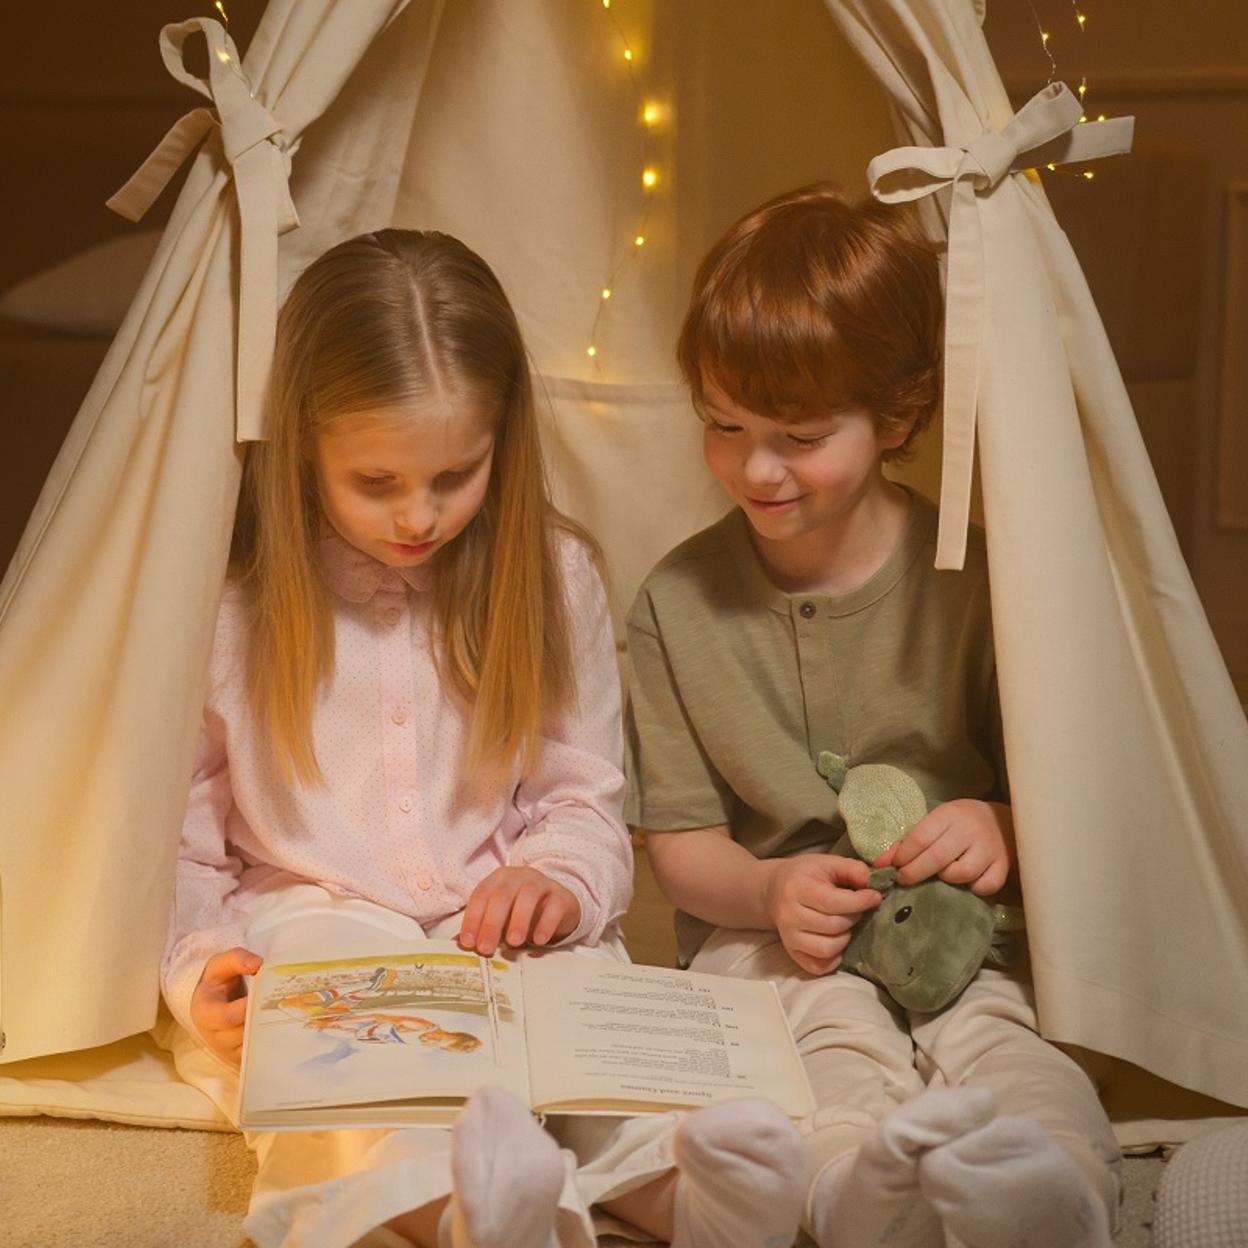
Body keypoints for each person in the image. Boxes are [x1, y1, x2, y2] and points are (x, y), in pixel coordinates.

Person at [163, 229, 805, 1248]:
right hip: (316, 917)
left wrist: (559, 878)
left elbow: (581, 798)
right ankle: (479, 1214)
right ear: (301, 445)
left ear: (502, 439)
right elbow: (182, 847)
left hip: (503, 916)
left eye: (454, 475)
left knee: (603, 1039)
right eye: (376, 482)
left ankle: (701, 1199)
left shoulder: (553, 575)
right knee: (361, 1094)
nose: (418, 517)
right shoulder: (232, 602)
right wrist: (199, 969)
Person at [624, 185, 1124, 1248]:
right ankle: (855, 1197)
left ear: (896, 417)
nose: (756, 467)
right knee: (818, 1055)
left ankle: (1053, 1191)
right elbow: (683, 848)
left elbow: (1083, 796)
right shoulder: (675, 602)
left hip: (967, 929)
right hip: (772, 943)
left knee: (1009, 1039)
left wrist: (1001, 822)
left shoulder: (982, 580)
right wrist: (768, 891)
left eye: (800, 436)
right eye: (723, 425)